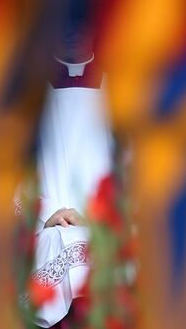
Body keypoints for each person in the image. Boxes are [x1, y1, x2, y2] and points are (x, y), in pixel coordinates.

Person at [30, 53, 114, 328]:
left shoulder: (117, 86)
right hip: (50, 224)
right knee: (56, 244)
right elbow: (11, 168)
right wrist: (47, 214)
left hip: (104, 222)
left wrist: (100, 217)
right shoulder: (31, 86)